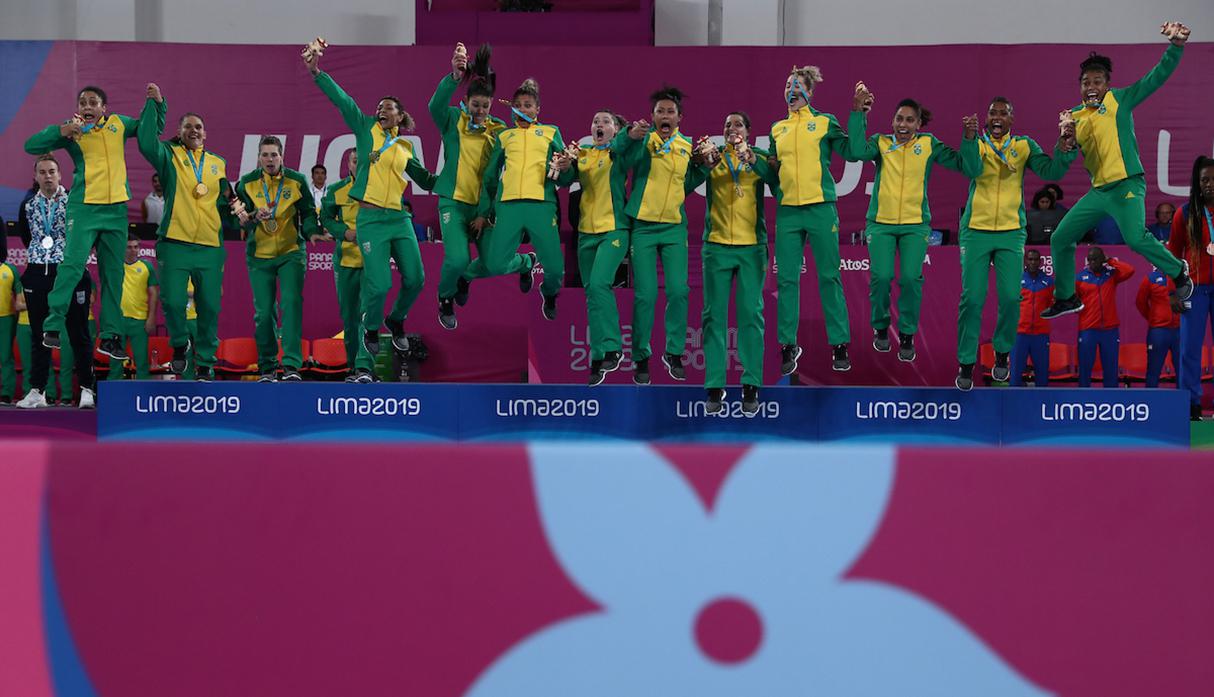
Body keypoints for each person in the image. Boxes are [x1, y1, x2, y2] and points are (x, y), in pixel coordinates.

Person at [1042, 22, 1194, 320]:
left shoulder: (1120, 100)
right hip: (1099, 192)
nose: (1091, 87)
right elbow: (1059, 168)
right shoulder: (1072, 117)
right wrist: (1064, 142)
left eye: (1097, 82)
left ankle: (1178, 271)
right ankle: (1067, 298)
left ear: (1106, 85)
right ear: (1080, 86)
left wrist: (1175, 47)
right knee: (1060, 237)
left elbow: (1155, 78)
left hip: (1127, 186)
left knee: (1135, 238)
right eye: (1086, 82)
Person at [305, 39, 437, 382]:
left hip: (398, 217)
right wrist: (317, 71)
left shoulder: (405, 146)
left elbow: (423, 177)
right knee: (377, 286)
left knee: (417, 278)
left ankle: (396, 320)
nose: (381, 109)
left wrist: (451, 180)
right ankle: (371, 330)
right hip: (370, 219)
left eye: (388, 107)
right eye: (379, 106)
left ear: (401, 115)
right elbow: (343, 101)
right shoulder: (365, 129)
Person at [23, 84, 164, 362]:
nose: (87, 106)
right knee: (73, 265)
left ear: (103, 109)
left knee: (114, 275)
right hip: (84, 208)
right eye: (83, 102)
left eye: (93, 102)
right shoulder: (72, 131)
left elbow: (148, 129)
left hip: (116, 212)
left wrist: (156, 104)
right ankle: (52, 325)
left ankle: (110, 337)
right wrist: (62, 131)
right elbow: (31, 146)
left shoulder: (119, 124)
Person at [848, 85, 979, 361]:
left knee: (910, 279)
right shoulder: (882, 143)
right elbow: (857, 151)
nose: (903, 124)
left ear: (919, 124)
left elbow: (966, 167)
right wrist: (858, 112)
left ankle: (906, 334)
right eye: (899, 119)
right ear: (892, 121)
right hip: (880, 224)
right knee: (881, 277)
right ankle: (881, 328)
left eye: (909, 120)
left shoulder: (928, 144)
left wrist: (969, 139)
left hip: (915, 225)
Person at [954, 96, 1076, 391]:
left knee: (1010, 298)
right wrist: (968, 140)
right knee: (972, 299)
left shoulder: (1023, 146)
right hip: (976, 230)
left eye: (1003, 113)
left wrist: (1063, 147)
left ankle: (1003, 353)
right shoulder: (979, 144)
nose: (997, 117)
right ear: (986, 119)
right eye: (992, 112)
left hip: (1010, 232)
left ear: (1012, 120)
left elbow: (1052, 172)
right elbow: (970, 169)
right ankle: (966, 362)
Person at [136, 82, 244, 381]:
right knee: (172, 301)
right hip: (175, 242)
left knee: (210, 306)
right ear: (180, 132)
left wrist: (242, 215)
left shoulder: (218, 163)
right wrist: (156, 105)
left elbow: (228, 197)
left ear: (205, 133)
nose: (194, 131)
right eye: (188, 127)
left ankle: (206, 360)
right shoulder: (169, 155)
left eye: (198, 127)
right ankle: (181, 345)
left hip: (210, 245)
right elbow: (145, 141)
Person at [615, 86, 710, 384]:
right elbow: (619, 154)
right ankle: (641, 357)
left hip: (673, 227)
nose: (665, 115)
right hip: (642, 227)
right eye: (660, 111)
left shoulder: (686, 146)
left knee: (679, 291)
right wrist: (629, 135)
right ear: (653, 116)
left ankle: (674, 352)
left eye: (670, 111)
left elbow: (688, 181)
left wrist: (705, 167)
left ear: (680, 117)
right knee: (645, 295)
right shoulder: (642, 140)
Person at [769, 65, 853, 374]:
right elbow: (773, 171)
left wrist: (857, 116)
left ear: (809, 92)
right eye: (787, 84)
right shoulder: (777, 128)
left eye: (796, 85)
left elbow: (853, 150)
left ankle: (840, 344)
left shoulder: (824, 122)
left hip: (820, 208)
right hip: (789, 212)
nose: (790, 89)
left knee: (829, 276)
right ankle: (788, 345)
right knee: (787, 280)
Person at [429, 43, 518, 330]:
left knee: (494, 264)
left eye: (485, 106)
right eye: (475, 104)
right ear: (466, 101)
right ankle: (445, 298)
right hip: (453, 204)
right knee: (457, 259)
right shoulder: (453, 120)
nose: (479, 110)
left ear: (492, 106)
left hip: (483, 207)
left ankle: (524, 264)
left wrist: (487, 211)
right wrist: (454, 77)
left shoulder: (500, 130)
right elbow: (434, 106)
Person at [468, 77, 567, 321]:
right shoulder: (504, 136)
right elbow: (490, 177)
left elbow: (565, 175)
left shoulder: (551, 132)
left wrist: (566, 168)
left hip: (542, 206)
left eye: (528, 105)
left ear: (537, 110)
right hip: (508, 206)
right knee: (495, 265)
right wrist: (483, 211)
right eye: (519, 104)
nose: (523, 109)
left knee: (555, 270)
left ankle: (549, 293)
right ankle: (525, 263)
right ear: (512, 108)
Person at [698, 111, 774, 416]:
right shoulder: (713, 159)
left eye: (738, 124)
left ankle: (751, 385)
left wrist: (753, 159)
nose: (732, 128)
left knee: (751, 317)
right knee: (713, 318)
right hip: (716, 247)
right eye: (727, 124)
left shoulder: (759, 158)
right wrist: (702, 164)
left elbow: (777, 181)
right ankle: (715, 386)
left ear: (749, 131)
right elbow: (686, 182)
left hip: (751, 248)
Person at [235, 135, 320, 382]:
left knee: (291, 305)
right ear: (258, 157)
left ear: (282, 156)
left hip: (291, 252)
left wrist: (313, 232)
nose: (270, 159)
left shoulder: (297, 181)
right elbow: (238, 218)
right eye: (265, 155)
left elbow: (307, 213)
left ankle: (292, 365)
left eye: (274, 154)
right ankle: (268, 365)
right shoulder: (246, 184)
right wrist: (250, 215)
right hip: (259, 256)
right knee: (263, 313)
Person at [16, 154, 96, 409]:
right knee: (39, 333)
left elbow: (87, 233)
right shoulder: (28, 205)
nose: (47, 176)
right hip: (38, 272)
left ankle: (86, 389)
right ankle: (38, 390)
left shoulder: (75, 200)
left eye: (52, 171)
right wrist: (43, 257)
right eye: (42, 172)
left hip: (70, 272)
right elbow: (27, 237)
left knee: (78, 332)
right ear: (35, 176)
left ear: (60, 175)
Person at [562, 110, 630, 386]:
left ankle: (613, 346)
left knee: (601, 284)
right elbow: (563, 181)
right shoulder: (584, 154)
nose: (598, 124)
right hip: (586, 233)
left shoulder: (619, 153)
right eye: (595, 121)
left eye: (605, 122)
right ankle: (598, 356)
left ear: (615, 130)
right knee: (591, 293)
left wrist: (625, 135)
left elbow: (626, 143)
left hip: (614, 230)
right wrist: (565, 164)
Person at [1167, 155, 1214, 421]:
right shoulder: (1184, 213)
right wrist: (1173, 291)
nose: (1210, 185)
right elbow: (1172, 252)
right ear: (1197, 184)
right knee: (1189, 350)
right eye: (1204, 180)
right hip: (1194, 290)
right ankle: (1192, 404)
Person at [320, 149, 364, 373]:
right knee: (350, 318)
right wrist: (344, 232)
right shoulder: (337, 190)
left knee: (368, 316)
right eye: (355, 161)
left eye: (362, 160)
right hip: (346, 262)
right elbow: (325, 217)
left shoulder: (382, 189)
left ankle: (366, 368)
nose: (359, 164)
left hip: (372, 262)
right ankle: (353, 367)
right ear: (349, 164)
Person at [1075, 247, 1134, 387]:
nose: (1092, 262)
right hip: (1088, 329)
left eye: (1096, 259)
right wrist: (1086, 314)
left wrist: (1111, 261)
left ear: (1102, 260)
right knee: (1085, 367)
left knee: (1111, 368)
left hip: (1110, 330)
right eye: (1090, 260)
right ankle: (1083, 400)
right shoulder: (1079, 278)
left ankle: (1111, 400)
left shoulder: (1111, 275)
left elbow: (1129, 270)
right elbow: (1073, 302)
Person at [107, 233, 159, 380]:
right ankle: (114, 396)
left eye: (136, 247)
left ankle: (142, 397)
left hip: (140, 320)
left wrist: (151, 318)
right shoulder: (115, 265)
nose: (133, 250)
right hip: (118, 320)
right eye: (129, 247)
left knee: (142, 362)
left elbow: (154, 293)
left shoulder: (146, 266)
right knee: (115, 362)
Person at [1010, 249, 1054, 387]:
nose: (1033, 262)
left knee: (1042, 376)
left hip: (1040, 335)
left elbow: (1052, 304)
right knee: (1016, 374)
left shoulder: (1049, 282)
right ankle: (1013, 406)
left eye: (1035, 259)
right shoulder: (1016, 280)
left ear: (1040, 262)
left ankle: (1042, 406)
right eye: (1030, 259)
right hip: (1020, 334)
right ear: (1025, 261)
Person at [1135, 265, 1180, 387]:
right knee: (1153, 370)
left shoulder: (1181, 278)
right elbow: (1140, 302)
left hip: (1179, 331)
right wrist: (1153, 318)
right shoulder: (1150, 279)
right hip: (1158, 332)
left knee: (1182, 370)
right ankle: (1150, 403)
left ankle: (1185, 403)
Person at [0, 259, 23, 404]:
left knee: (5, 356)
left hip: (6, 319)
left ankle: (6, 393)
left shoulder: (11, 269)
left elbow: (20, 294)